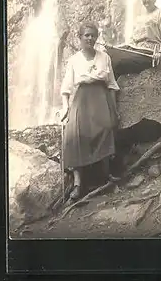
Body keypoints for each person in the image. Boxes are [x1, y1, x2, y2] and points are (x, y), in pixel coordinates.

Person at [60, 22, 119, 201]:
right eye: (86, 35)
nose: (90, 38)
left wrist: (114, 109)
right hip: (82, 99)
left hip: (101, 98)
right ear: (80, 38)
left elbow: (112, 84)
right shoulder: (73, 60)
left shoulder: (104, 57)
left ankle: (105, 176)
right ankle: (78, 183)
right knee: (74, 135)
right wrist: (65, 107)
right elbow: (66, 88)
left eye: (93, 35)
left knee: (106, 128)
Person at [106, 0, 161, 79]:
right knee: (108, 56)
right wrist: (116, 47)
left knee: (118, 62)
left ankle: (114, 90)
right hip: (134, 49)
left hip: (149, 53)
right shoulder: (139, 16)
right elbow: (133, 38)